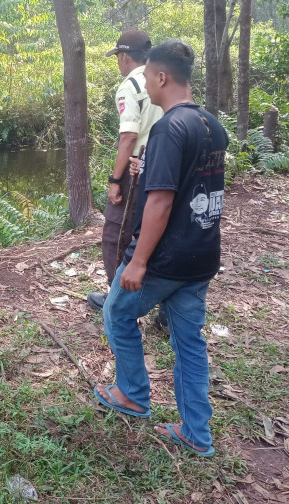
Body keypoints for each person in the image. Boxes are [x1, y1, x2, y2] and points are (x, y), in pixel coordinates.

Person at [93, 40, 228, 457]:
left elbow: (161, 201)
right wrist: (145, 165)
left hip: (166, 258)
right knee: (189, 342)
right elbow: (192, 183)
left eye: (148, 76)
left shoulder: (168, 128)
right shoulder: (210, 125)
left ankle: (132, 393)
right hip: (202, 255)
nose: (146, 84)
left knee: (116, 312)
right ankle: (196, 433)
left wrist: (137, 261)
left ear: (162, 77)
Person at [87, 30, 166, 331]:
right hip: (166, 165)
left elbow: (129, 136)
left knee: (115, 233)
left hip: (138, 168)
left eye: (118, 58)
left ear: (123, 56)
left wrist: (114, 179)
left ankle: (118, 299)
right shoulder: (163, 79)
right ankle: (164, 308)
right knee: (156, 232)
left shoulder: (130, 85)